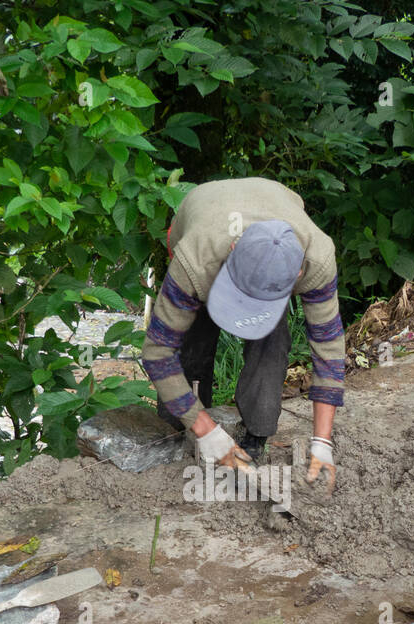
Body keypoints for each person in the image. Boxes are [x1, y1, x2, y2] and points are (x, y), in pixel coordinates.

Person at [142, 177, 344, 490]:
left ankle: (256, 436)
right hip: (201, 218)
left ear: (298, 275)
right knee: (190, 341)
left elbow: (328, 350)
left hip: (273, 204)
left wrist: (322, 443)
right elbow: (157, 351)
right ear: (235, 248)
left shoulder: (317, 261)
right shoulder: (195, 258)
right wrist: (204, 428)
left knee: (272, 339)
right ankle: (175, 431)